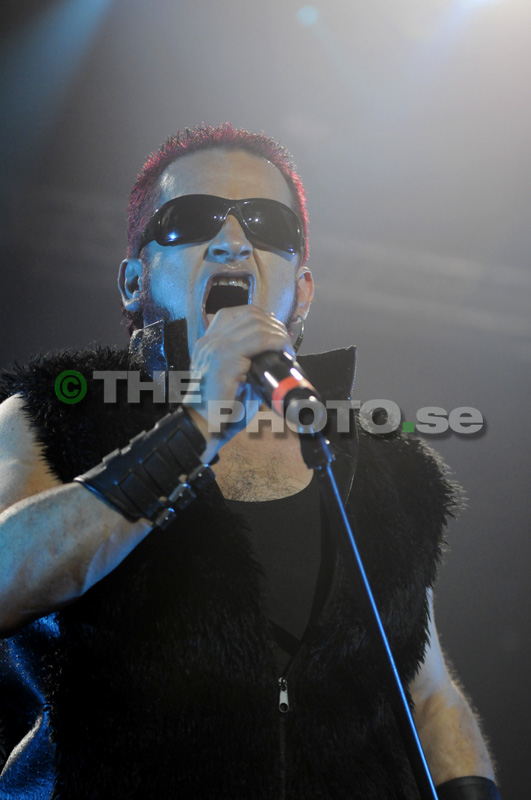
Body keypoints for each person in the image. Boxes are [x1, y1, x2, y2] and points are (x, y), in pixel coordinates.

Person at [0, 123, 499, 799]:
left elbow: (429, 693)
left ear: (303, 290)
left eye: (266, 225)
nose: (233, 241)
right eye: (192, 220)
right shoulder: (54, 417)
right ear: (134, 280)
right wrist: (195, 428)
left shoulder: (387, 471)